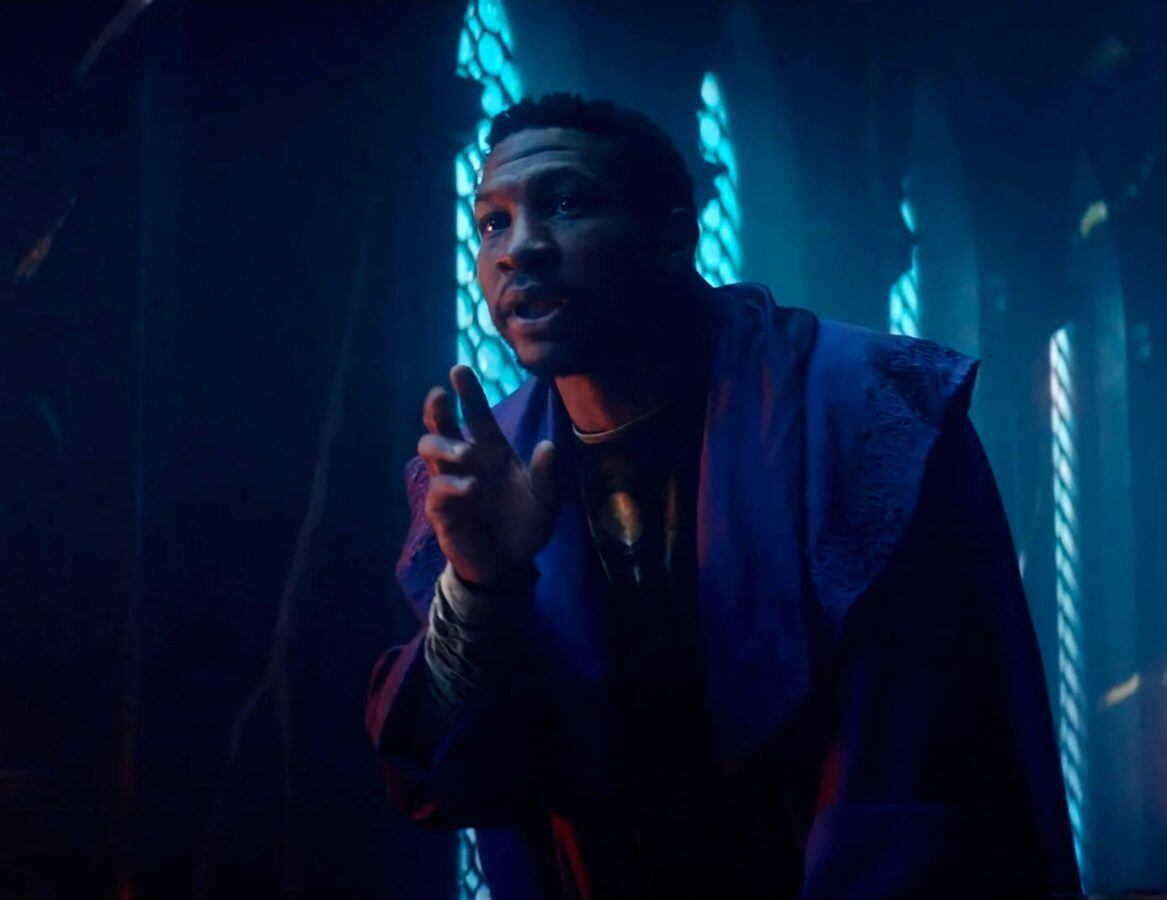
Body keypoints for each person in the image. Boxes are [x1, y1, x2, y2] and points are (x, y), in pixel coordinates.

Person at [366, 93, 1080, 899]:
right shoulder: (483, 469)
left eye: (566, 204)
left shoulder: (871, 414)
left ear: (671, 236)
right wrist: (479, 587)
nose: (519, 248)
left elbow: (922, 773)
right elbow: (440, 778)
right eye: (492, 222)